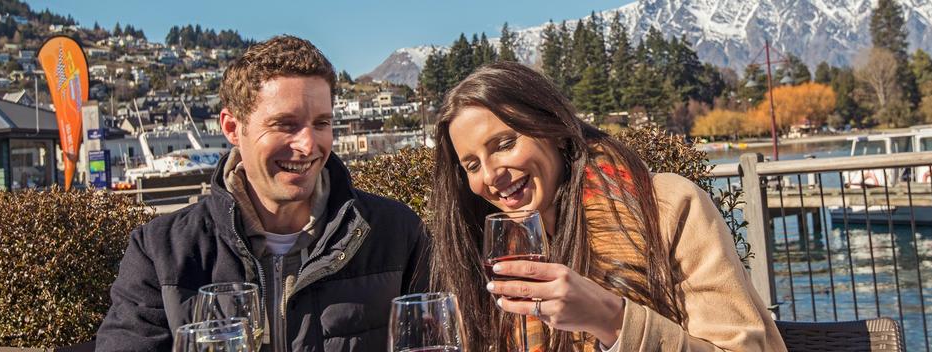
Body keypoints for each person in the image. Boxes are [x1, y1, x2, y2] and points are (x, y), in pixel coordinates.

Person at [96, 35, 430, 351]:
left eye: (322, 123)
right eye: (286, 125)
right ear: (231, 128)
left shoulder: (397, 233)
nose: (309, 144)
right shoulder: (161, 252)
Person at [429, 62, 786, 351]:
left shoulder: (667, 206)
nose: (491, 176)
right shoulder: (490, 256)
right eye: (472, 165)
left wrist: (612, 321)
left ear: (551, 129)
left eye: (504, 144)